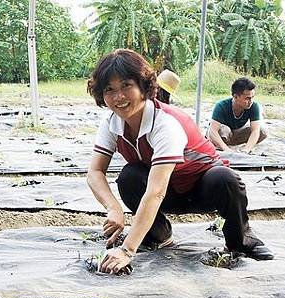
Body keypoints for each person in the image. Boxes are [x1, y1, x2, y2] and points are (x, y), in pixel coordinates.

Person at [86, 49, 273, 275]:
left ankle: (240, 241)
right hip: (167, 191)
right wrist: (114, 209)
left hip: (201, 189)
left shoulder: (165, 123)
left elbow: (155, 192)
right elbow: (95, 172)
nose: (119, 97)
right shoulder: (111, 122)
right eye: (110, 89)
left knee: (225, 178)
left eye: (126, 86)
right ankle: (158, 235)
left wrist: (126, 251)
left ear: (143, 87)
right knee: (129, 176)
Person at [207, 77, 267, 154]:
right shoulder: (221, 105)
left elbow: (255, 131)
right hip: (222, 135)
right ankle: (222, 147)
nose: (250, 101)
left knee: (262, 131)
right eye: (247, 98)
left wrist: (246, 149)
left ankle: (235, 147)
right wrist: (226, 149)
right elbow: (212, 131)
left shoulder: (254, 106)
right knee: (224, 130)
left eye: (252, 97)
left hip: (235, 134)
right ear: (235, 97)